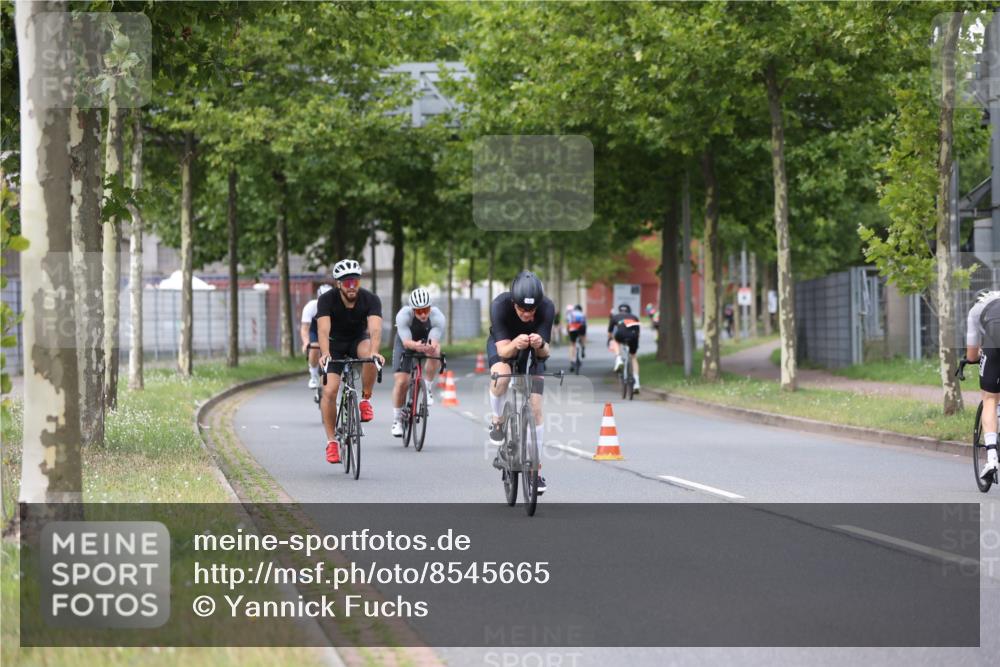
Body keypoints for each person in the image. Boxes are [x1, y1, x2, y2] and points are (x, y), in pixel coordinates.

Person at [486, 271, 554, 494]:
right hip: (505, 345)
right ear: (513, 303)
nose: (527, 314)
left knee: (535, 408)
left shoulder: (547, 308)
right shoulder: (500, 306)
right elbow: (504, 351)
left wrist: (540, 342)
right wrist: (516, 343)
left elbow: (545, 353)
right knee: (501, 377)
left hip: (533, 351)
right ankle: (497, 419)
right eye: (522, 309)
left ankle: (535, 472)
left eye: (531, 310)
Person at [316, 259, 384, 464]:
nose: (352, 286)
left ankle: (365, 400)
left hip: (357, 341)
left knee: (370, 357)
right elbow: (323, 329)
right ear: (338, 284)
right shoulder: (326, 300)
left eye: (355, 281)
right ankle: (332, 443)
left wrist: (375, 351)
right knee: (329, 391)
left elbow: (375, 329)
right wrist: (325, 353)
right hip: (334, 344)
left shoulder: (371, 299)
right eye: (347, 282)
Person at [391, 287, 446, 437]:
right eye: (419, 311)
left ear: (430, 307)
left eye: (425, 310)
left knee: (436, 351)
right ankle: (397, 419)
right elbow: (407, 342)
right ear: (413, 310)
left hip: (425, 340)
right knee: (402, 381)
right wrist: (416, 346)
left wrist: (430, 347)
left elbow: (433, 340)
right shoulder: (403, 315)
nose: (423, 314)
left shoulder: (437, 316)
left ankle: (427, 387)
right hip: (406, 342)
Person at [967, 289, 1000, 480]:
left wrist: (976, 357)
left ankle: (992, 458)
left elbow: (972, 355)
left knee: (989, 398)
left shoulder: (976, 310)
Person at [300, 284, 333, 389]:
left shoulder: (337, 306)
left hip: (332, 329)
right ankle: (313, 375)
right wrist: (306, 342)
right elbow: (305, 328)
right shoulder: (311, 307)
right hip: (315, 329)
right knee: (314, 347)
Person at [608, 303, 641, 391]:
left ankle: (618, 358)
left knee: (615, 340)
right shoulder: (634, 317)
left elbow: (610, 333)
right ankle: (637, 383)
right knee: (633, 357)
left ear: (619, 311)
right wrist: (635, 343)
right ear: (629, 311)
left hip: (621, 334)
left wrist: (609, 340)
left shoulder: (615, 317)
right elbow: (638, 333)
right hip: (633, 336)